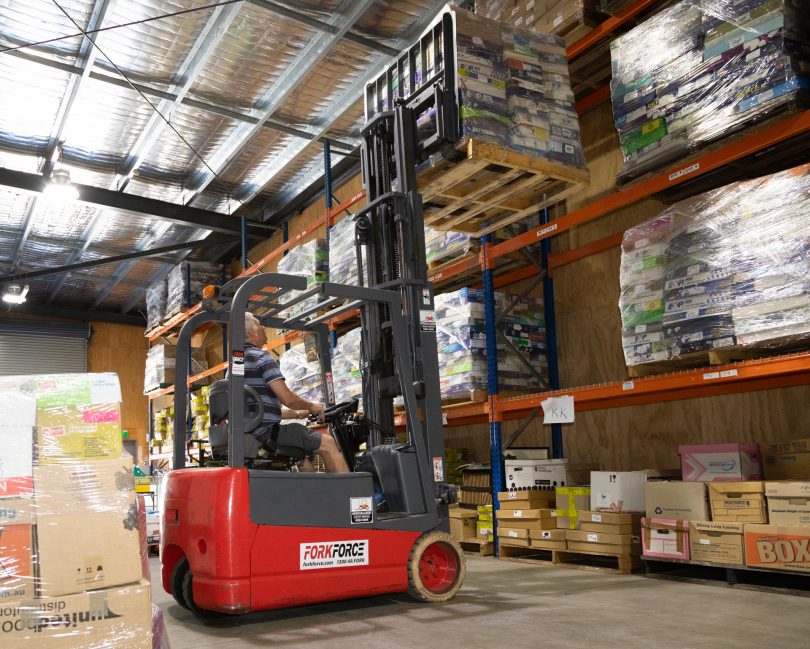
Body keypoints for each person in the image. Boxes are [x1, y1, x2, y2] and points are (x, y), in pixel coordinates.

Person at [237, 311, 349, 473]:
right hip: (266, 434)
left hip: (250, 434)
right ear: (253, 332)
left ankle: (312, 496)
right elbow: (287, 398)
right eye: (261, 326)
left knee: (301, 455)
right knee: (328, 443)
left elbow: (256, 411)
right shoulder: (262, 357)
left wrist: (297, 414)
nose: (263, 329)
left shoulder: (235, 365)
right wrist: (312, 406)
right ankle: (347, 496)